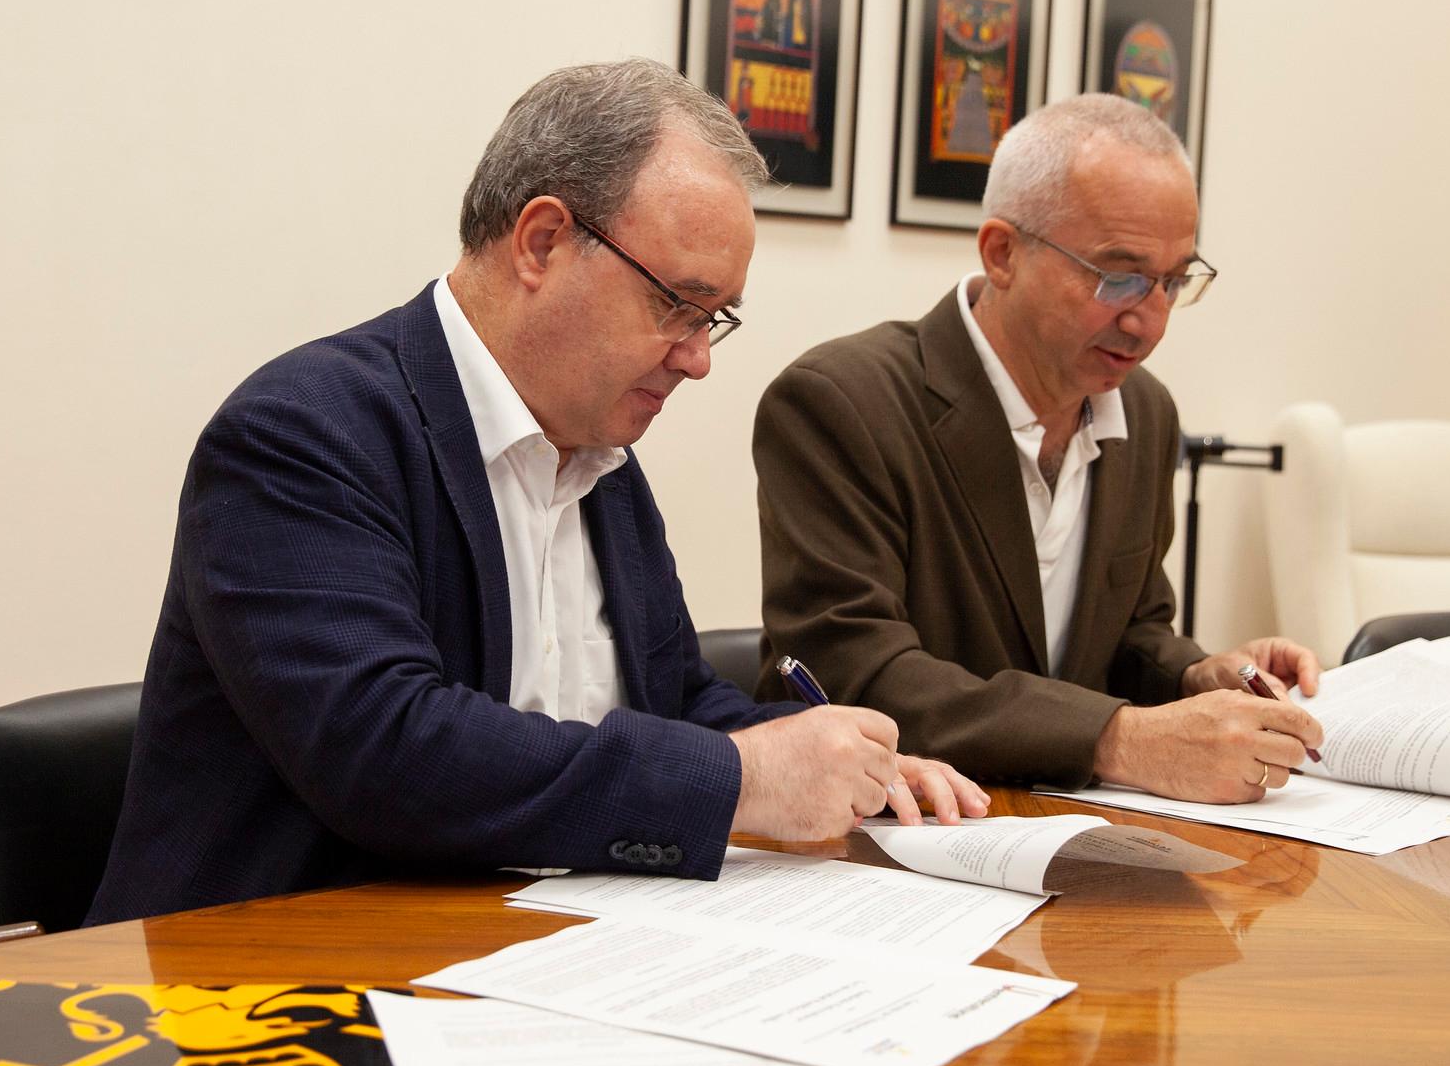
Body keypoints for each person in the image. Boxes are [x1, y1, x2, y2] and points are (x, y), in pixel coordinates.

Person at [90, 59, 983, 925]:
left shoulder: (601, 458)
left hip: (535, 953)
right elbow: (387, 750)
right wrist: (745, 776)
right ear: (543, 241)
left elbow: (672, 697)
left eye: (713, 319)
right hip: (276, 983)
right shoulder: (302, 431)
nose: (699, 357)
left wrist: (841, 764)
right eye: (678, 303)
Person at [753, 94, 1323, 805]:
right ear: (1002, 253)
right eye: (1118, 275)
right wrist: (1121, 737)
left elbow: (1131, 630)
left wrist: (1194, 673)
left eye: (1174, 280)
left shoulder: (1144, 412)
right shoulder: (841, 401)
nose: (1148, 320)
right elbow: (857, 671)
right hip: (895, 835)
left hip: (1068, 831)